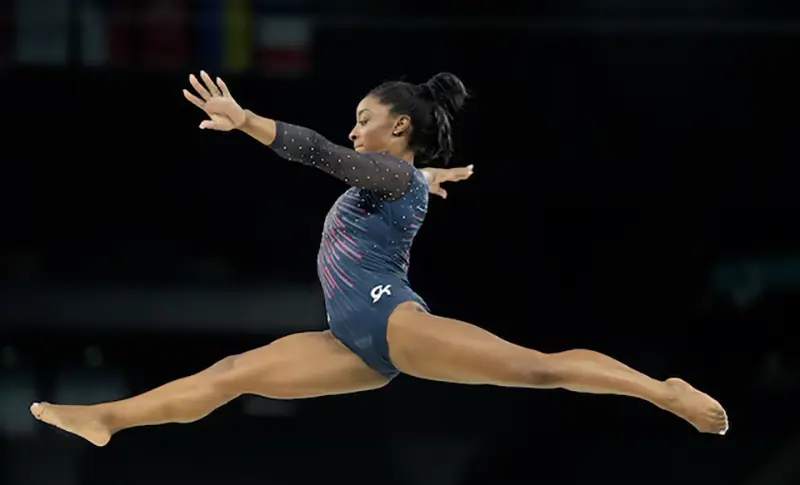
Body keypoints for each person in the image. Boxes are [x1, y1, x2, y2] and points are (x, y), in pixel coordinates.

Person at [30, 70, 728, 446]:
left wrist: (245, 120)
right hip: (353, 345)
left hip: (388, 319)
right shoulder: (399, 176)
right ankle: (108, 419)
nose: (353, 128)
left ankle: (661, 390)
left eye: (364, 118)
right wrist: (434, 177)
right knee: (231, 374)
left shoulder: (387, 171)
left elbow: (320, 154)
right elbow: (399, 177)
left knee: (534, 369)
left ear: (398, 126)